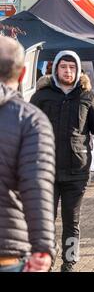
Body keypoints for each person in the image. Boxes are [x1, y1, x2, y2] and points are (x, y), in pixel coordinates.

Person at [31, 50, 94, 272]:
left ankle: (69, 261)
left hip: (77, 170)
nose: (68, 71)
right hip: (45, 170)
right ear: (55, 68)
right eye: (63, 67)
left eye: (72, 67)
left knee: (71, 220)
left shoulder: (87, 95)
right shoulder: (42, 96)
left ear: (78, 70)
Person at [0, 36, 56, 272]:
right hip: (7, 249)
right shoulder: (31, 120)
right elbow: (36, 184)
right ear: (23, 74)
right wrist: (42, 247)